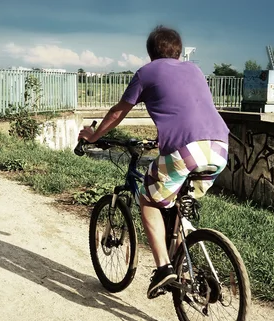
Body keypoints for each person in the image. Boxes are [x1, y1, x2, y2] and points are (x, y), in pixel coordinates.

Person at [78, 25, 229, 299]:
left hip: (185, 149)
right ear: (179, 51)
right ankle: (185, 268)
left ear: (150, 53)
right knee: (174, 207)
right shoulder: (195, 70)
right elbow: (187, 109)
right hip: (219, 148)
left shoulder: (146, 73)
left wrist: (93, 136)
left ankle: (163, 269)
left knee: (148, 199)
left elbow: (118, 113)